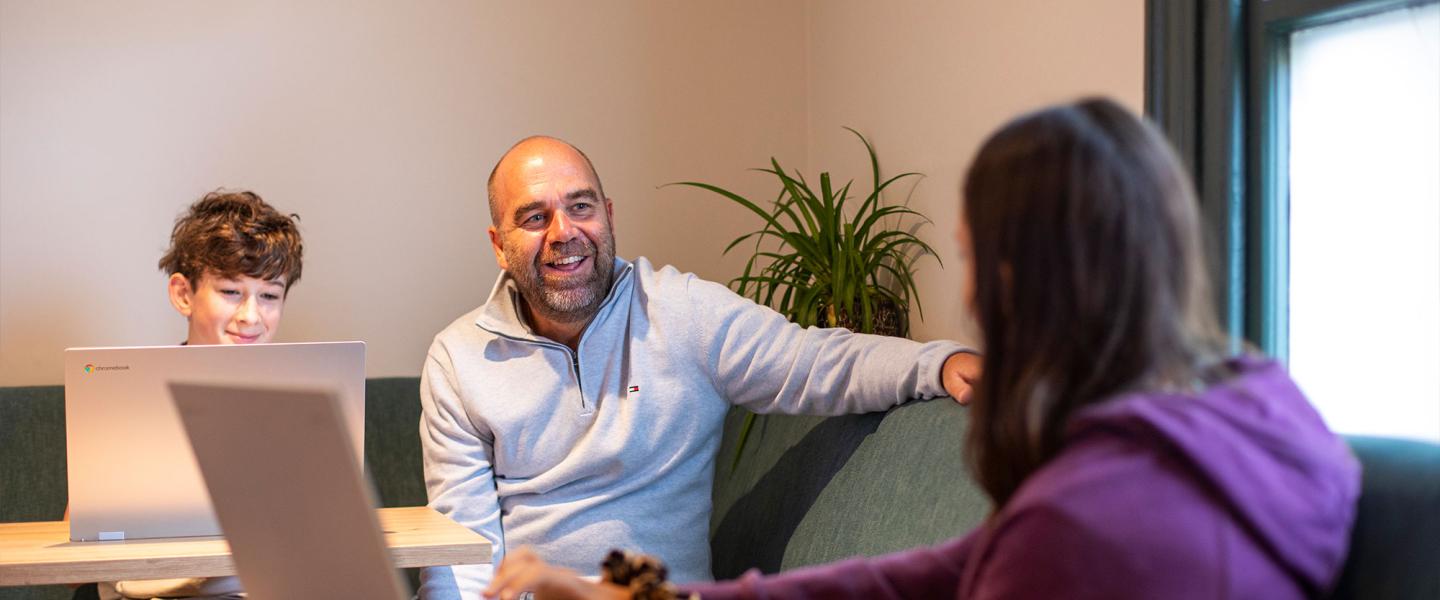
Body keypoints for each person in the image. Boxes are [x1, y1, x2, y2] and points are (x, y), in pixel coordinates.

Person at [479, 99, 1362, 600]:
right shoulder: (1260, 404)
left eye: (972, 257)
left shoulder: (1091, 525)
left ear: (1031, 279)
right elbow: (912, 578)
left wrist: (929, 360)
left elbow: (812, 361)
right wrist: (646, 598)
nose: (969, 294)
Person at [418, 136, 982, 598]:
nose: (563, 232)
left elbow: (814, 361)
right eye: (535, 217)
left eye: (581, 206)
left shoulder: (684, 314)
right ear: (499, 244)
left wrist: (937, 362)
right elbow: (460, 553)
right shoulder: (459, 358)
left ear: (608, 216)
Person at [71, 190, 304, 600]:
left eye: (269, 296)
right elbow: (75, 564)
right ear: (183, 294)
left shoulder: (306, 404)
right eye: (231, 291)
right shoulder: (128, 397)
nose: (251, 316)